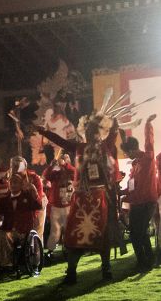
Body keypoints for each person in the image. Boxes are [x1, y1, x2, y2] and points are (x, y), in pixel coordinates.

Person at [38, 112, 120, 283]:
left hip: (99, 196)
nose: (91, 134)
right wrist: (43, 132)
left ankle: (106, 270)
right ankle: (71, 272)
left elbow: (113, 133)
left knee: (102, 235)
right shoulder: (78, 148)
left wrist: (113, 122)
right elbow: (61, 142)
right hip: (81, 198)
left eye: (94, 131)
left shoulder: (105, 146)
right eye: (88, 132)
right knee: (74, 236)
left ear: (99, 133)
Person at [120, 114, 157, 273]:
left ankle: (145, 261)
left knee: (138, 234)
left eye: (128, 153)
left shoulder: (148, 158)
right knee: (137, 234)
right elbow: (132, 186)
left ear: (133, 149)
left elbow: (149, 142)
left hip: (148, 201)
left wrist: (148, 124)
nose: (127, 156)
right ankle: (147, 260)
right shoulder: (134, 166)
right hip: (136, 203)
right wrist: (122, 192)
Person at [0, 172, 42, 270]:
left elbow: (38, 206)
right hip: (8, 228)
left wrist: (35, 193)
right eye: (11, 183)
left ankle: (7, 262)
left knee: (3, 235)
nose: (13, 185)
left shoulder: (27, 196)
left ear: (21, 185)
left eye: (16, 183)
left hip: (23, 230)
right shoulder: (5, 199)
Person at [43, 154, 76, 261]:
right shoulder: (55, 173)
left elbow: (74, 173)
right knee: (55, 229)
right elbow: (46, 176)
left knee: (68, 228)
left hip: (68, 204)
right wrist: (51, 166)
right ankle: (51, 250)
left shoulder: (70, 171)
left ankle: (69, 248)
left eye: (65, 159)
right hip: (56, 205)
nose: (61, 161)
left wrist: (65, 165)